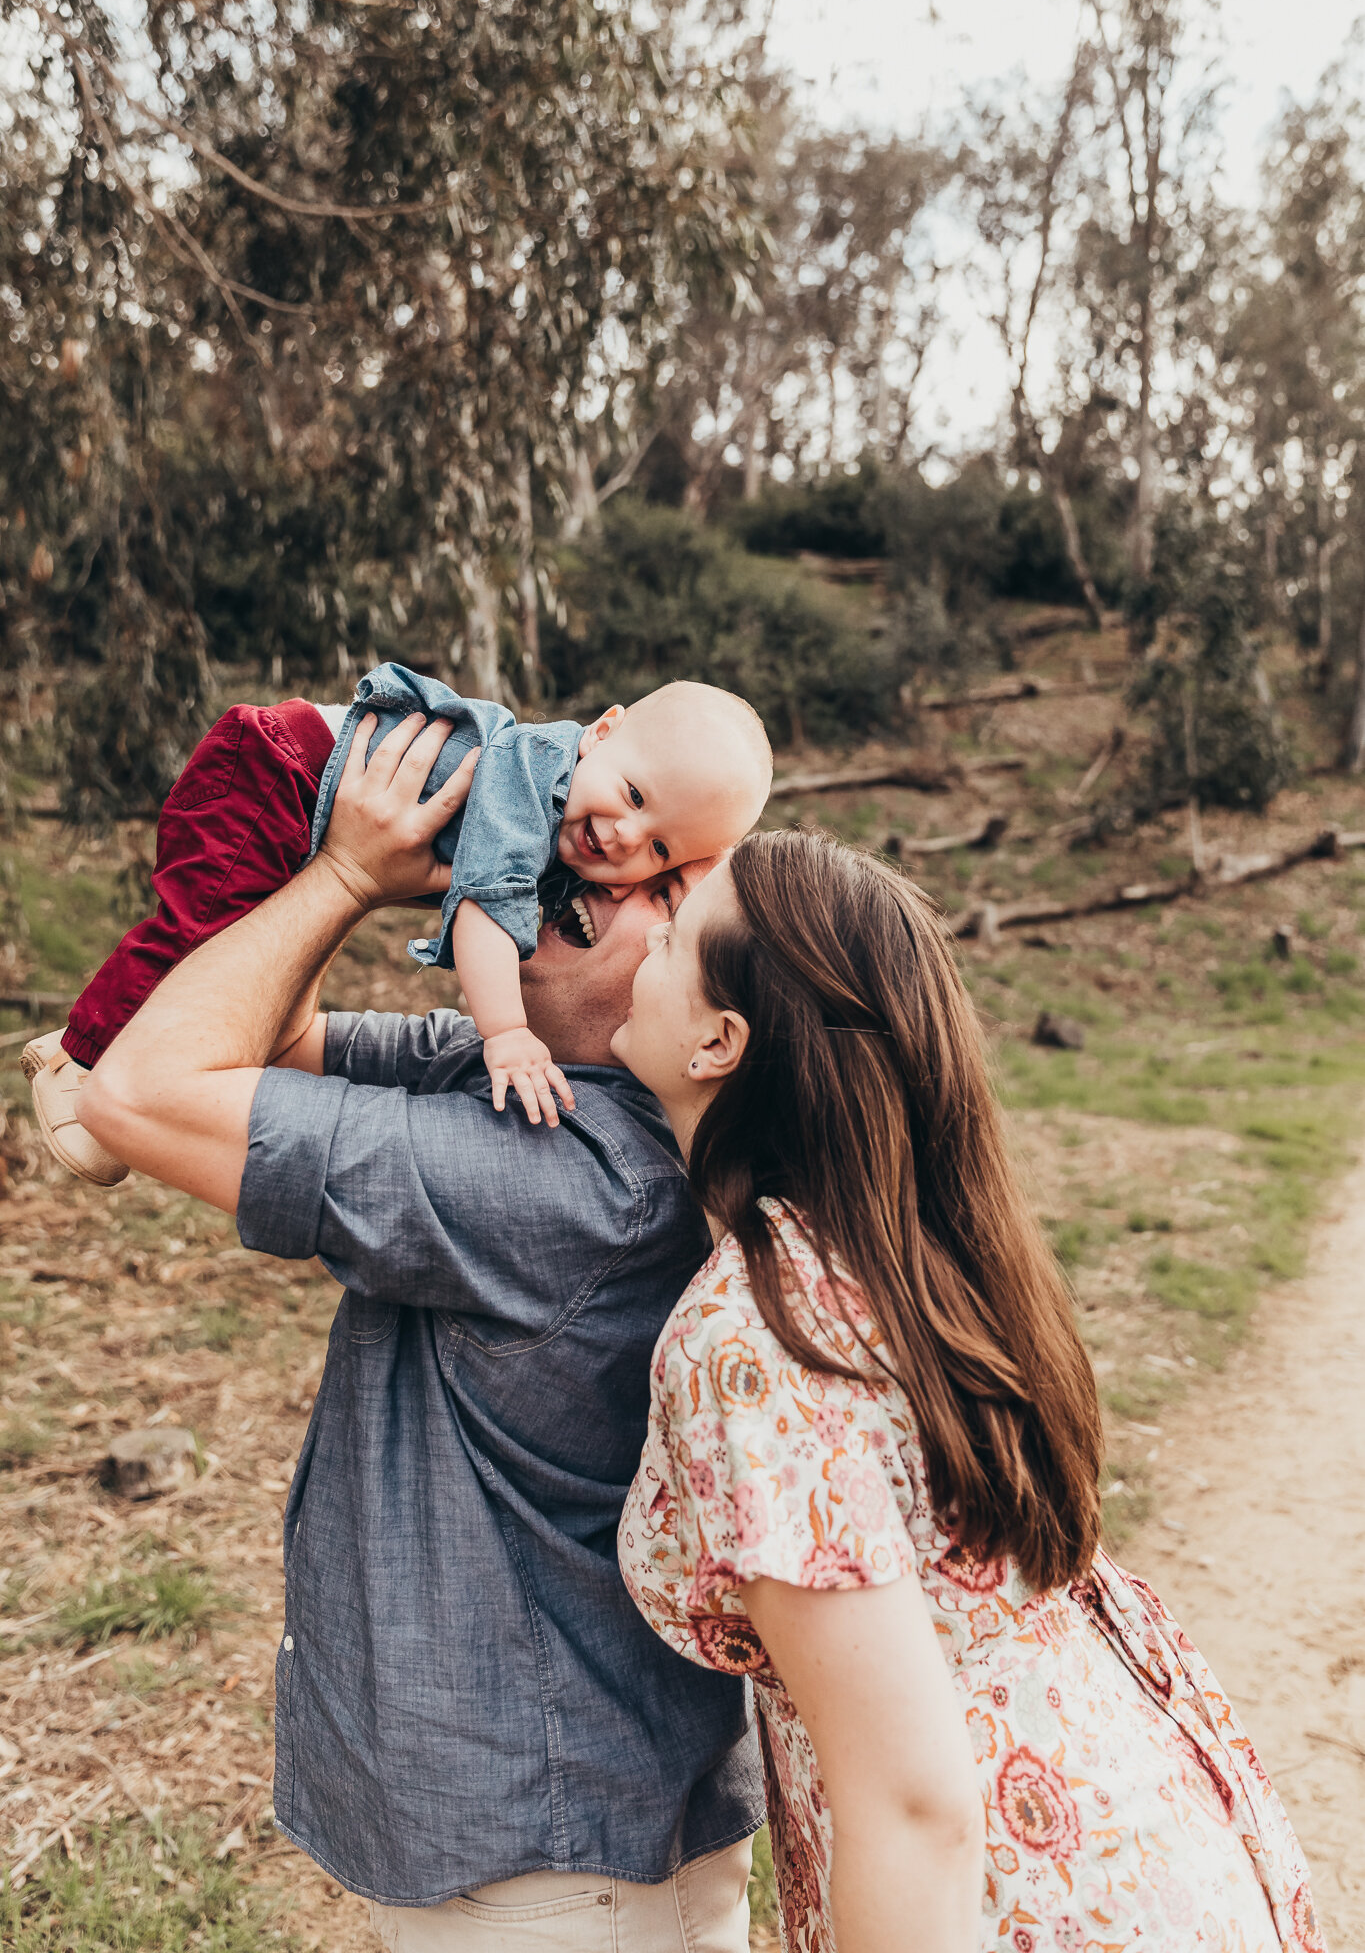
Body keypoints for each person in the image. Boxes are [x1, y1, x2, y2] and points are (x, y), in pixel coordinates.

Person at [75, 712, 766, 1951]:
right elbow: (269, 1043)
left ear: (666, 988)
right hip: (598, 1830)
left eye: (571, 912)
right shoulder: (533, 1078)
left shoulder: (567, 1184)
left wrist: (343, 874)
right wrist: (381, 871)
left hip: (547, 1873)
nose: (542, 887)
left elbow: (139, 1091)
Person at [613, 826, 1327, 1953]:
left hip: (1005, 1900)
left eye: (679, 928)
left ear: (720, 1038)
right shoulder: (905, 1249)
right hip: (1133, 1839)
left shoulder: (751, 1339)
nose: (646, 926)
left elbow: (915, 1805)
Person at [24, 665, 772, 1180]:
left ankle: (93, 1039)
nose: (623, 840)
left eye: (661, 850)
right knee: (204, 933)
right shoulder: (529, 780)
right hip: (280, 769)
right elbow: (483, 914)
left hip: (305, 798)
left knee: (232, 947)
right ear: (602, 731)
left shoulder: (582, 812)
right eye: (634, 798)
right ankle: (83, 1058)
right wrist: (505, 1033)